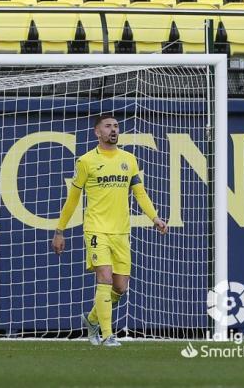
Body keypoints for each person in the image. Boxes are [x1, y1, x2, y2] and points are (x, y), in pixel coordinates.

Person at [52, 114, 167, 347]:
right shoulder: (86, 161)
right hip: (96, 229)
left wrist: (154, 217)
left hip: (121, 232)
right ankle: (107, 335)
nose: (113, 130)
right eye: (108, 126)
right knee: (103, 277)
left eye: (116, 126)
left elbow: (139, 193)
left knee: (120, 287)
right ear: (97, 132)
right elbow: (73, 199)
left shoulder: (129, 159)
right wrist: (59, 230)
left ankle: (92, 319)